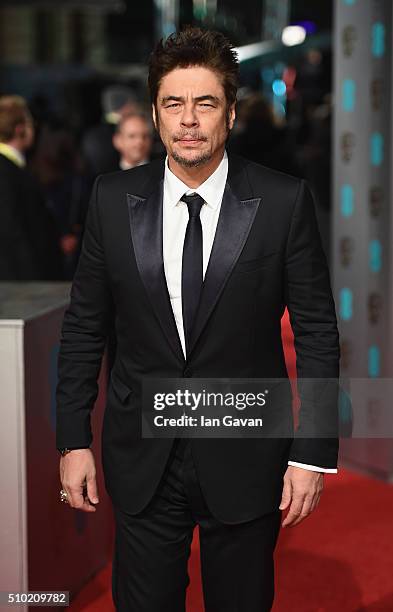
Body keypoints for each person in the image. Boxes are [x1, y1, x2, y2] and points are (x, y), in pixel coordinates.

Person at [56, 27, 340, 611]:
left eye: (205, 103)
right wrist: (71, 439)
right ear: (156, 117)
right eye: (174, 104)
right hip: (142, 457)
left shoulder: (283, 201)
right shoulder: (112, 199)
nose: (189, 119)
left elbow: (316, 333)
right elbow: (85, 324)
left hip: (245, 452)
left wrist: (311, 452)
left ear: (230, 113)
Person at [0, 95, 62, 280]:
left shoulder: (13, 169)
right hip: (21, 286)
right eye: (30, 122)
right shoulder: (5, 172)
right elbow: (13, 231)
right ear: (20, 128)